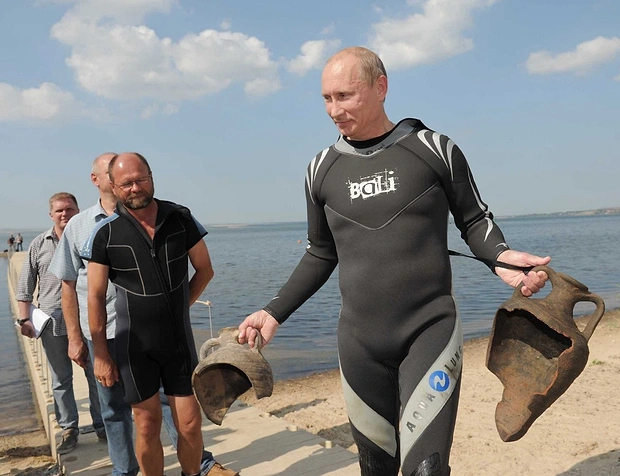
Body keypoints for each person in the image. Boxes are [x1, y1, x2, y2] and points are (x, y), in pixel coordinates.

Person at [237, 47, 551, 476]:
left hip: (429, 331)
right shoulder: (320, 170)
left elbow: (474, 220)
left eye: (345, 95)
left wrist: (499, 256)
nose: (334, 109)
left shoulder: (433, 149)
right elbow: (321, 252)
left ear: (381, 87)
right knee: (375, 468)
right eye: (326, 98)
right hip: (359, 344)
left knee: (426, 468)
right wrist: (273, 312)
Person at [50, 153, 233, 476]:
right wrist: (101, 354)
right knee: (147, 424)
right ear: (114, 186)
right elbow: (93, 296)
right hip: (134, 346)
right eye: (127, 183)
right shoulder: (105, 234)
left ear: (151, 176)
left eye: (141, 179)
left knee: (190, 424)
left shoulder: (180, 219)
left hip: (178, 343)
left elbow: (204, 270)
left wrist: (178, 307)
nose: (135, 188)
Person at [15, 192, 105, 455]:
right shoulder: (38, 244)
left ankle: (102, 425)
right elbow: (25, 286)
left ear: (78, 210)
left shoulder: (91, 238)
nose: (65, 214)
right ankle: (69, 429)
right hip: (52, 321)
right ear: (51, 214)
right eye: (59, 211)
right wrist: (24, 320)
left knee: (95, 374)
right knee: (61, 378)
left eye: (70, 209)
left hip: (88, 318)